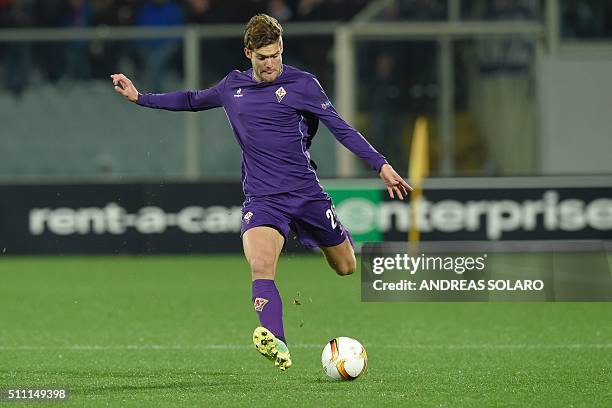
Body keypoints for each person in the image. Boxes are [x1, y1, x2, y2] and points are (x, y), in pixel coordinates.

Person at [111, 13, 412, 371]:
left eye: (276, 55)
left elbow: (342, 129)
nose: (270, 64)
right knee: (261, 267)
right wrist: (140, 97)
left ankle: (315, 237)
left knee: (346, 267)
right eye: (263, 57)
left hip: (306, 194)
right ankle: (278, 343)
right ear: (248, 52)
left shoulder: (304, 85)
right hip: (263, 199)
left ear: (282, 50)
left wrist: (381, 164)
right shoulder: (231, 88)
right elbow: (191, 99)